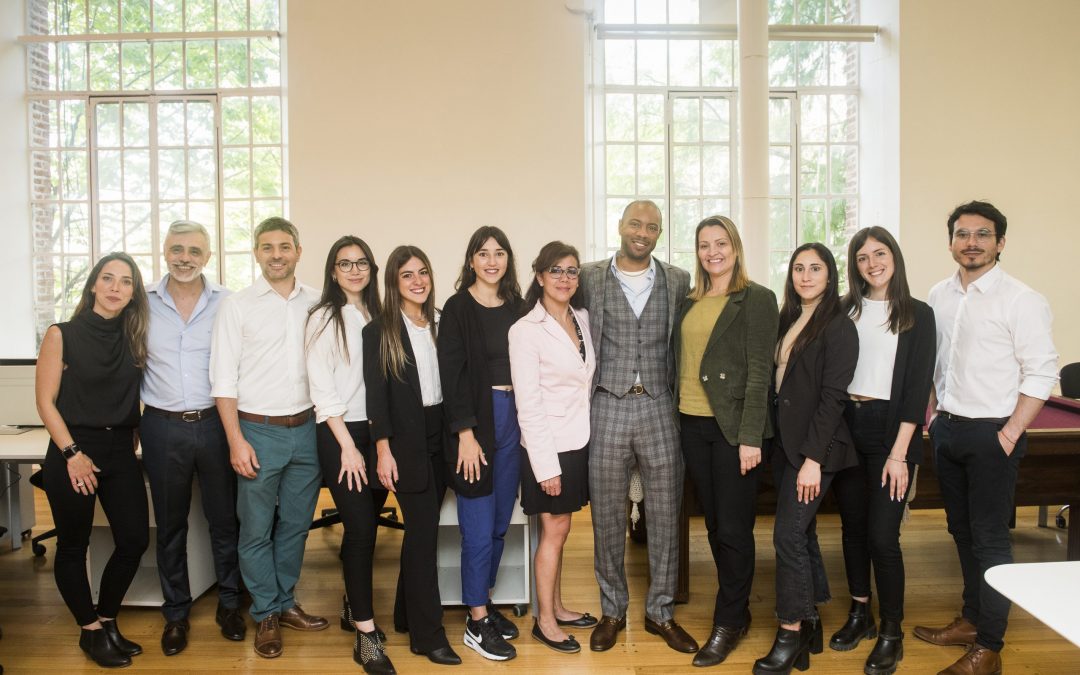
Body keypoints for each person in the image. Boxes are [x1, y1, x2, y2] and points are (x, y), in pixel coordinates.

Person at [913, 201, 1058, 675]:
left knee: (992, 540)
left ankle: (990, 646)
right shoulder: (939, 294)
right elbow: (935, 364)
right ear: (951, 240)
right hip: (949, 431)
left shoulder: (1021, 299)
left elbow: (1041, 372)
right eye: (962, 234)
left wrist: (1011, 430)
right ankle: (972, 620)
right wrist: (935, 416)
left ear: (1000, 243)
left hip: (994, 434)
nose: (971, 242)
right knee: (961, 532)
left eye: (982, 234)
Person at [578, 200, 697, 654]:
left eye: (652, 227)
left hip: (659, 406)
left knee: (667, 512)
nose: (642, 232)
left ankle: (660, 612)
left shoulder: (677, 279)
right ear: (620, 226)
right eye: (635, 223)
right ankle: (613, 610)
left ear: (660, 233)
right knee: (607, 514)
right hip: (607, 404)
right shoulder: (589, 277)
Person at [210, 217, 328, 660]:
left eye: (283, 246)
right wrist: (236, 440)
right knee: (256, 529)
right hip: (256, 430)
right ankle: (266, 613)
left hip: (307, 429)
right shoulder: (237, 306)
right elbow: (223, 380)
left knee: (296, 526)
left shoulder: (318, 302)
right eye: (266, 247)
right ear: (256, 254)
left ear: (298, 250)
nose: (275, 254)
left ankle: (286, 601)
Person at [829, 227, 936, 675]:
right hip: (846, 426)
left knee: (881, 536)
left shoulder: (918, 314)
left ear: (895, 257)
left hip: (893, 431)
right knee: (851, 530)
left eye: (880, 253)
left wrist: (899, 453)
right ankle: (860, 614)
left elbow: (916, 390)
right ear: (854, 265)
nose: (872, 263)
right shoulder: (842, 311)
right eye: (862, 257)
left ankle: (891, 630)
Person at [35, 252, 150, 668]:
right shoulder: (61, 334)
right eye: (108, 278)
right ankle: (89, 630)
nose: (116, 287)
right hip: (73, 449)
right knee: (72, 544)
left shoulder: (135, 337)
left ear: (134, 291)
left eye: (125, 281)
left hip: (119, 448)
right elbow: (45, 403)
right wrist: (72, 454)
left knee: (134, 539)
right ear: (93, 285)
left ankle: (106, 617)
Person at [674, 216, 779, 667]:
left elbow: (761, 373)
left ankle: (728, 620)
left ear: (735, 247)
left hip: (733, 430)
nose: (712, 251)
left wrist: (751, 436)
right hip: (690, 425)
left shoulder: (757, 299)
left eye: (720, 243)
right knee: (715, 525)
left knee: (734, 529)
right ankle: (739, 608)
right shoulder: (689, 301)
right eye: (704, 245)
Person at [753, 243, 859, 675]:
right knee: (805, 534)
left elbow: (834, 399)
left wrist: (813, 459)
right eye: (798, 268)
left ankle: (790, 633)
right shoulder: (789, 318)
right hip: (785, 446)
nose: (806, 275)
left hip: (816, 450)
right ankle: (812, 619)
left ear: (830, 276)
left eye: (815, 268)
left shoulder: (837, 326)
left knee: (787, 537)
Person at [141, 221, 244, 656]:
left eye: (195, 251)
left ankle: (230, 605)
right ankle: (176, 613)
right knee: (170, 525)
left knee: (225, 521)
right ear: (164, 250)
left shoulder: (228, 303)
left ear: (208, 256)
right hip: (162, 426)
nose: (185, 257)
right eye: (177, 249)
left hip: (215, 424)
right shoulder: (140, 303)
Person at [363, 246, 461, 667]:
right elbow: (376, 399)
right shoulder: (379, 332)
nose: (418, 281)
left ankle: (405, 614)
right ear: (393, 282)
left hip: (443, 435)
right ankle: (428, 634)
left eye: (423, 272)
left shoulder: (441, 322)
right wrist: (383, 450)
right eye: (407, 275)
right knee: (422, 537)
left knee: (424, 531)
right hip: (405, 444)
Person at [305, 235, 395, 673]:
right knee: (359, 529)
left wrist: (383, 442)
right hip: (340, 434)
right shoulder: (322, 318)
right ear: (333, 271)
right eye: (345, 264)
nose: (355, 270)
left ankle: (350, 603)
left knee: (369, 527)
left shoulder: (382, 315)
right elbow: (322, 389)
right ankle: (365, 636)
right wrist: (347, 448)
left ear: (372, 270)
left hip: (380, 434)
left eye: (362, 263)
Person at [438, 227, 527, 661]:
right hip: (476, 422)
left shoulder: (518, 306)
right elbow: (451, 375)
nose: (492, 261)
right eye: (483, 253)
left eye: (499, 253)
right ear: (471, 260)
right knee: (475, 530)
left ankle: (484, 602)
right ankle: (475, 622)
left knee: (498, 525)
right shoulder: (457, 309)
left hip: (515, 420)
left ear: (508, 259)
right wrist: (466, 435)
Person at [509, 241, 596, 655]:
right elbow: (528, 404)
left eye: (571, 271)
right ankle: (544, 622)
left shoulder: (582, 318)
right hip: (548, 447)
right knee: (554, 530)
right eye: (556, 271)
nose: (565, 278)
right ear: (540, 275)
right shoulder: (526, 330)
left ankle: (557, 606)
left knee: (560, 529)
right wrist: (545, 466)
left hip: (578, 439)